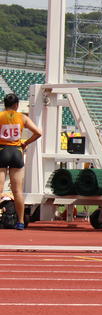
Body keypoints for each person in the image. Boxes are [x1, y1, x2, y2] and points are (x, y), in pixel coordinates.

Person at [0, 93, 42, 230]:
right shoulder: (22, 117)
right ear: (17, 105)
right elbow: (38, 132)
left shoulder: (0, 116)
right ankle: (21, 222)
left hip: (2, 150)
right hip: (16, 152)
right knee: (17, 191)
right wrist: (25, 143)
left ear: (4, 104)